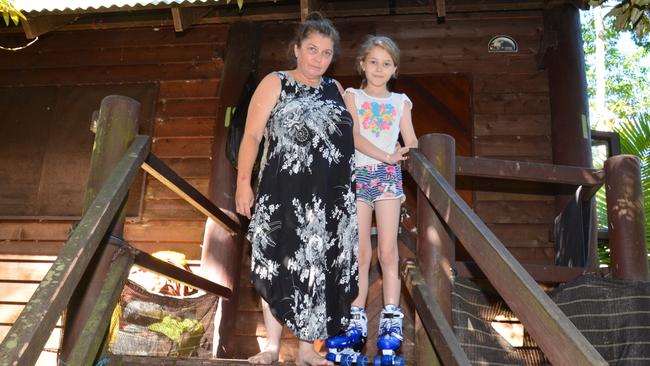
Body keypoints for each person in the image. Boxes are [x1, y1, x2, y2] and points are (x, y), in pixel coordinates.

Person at [235, 13, 358, 366]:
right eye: (311, 49)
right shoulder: (276, 83)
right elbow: (253, 136)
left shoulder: (336, 90)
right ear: (296, 50)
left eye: (326, 53)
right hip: (282, 194)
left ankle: (307, 350)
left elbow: (356, 139)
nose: (318, 59)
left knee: (318, 269)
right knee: (276, 265)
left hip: (330, 200)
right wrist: (244, 183)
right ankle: (272, 347)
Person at [325, 35, 417, 365]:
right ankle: (355, 318)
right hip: (359, 176)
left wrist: (406, 156)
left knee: (388, 249)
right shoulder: (353, 96)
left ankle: (391, 321)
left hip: (388, 181)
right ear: (362, 64)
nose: (379, 68)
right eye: (373, 62)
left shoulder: (401, 102)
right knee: (360, 251)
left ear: (395, 70)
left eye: (387, 63)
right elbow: (354, 136)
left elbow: (412, 142)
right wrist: (387, 156)